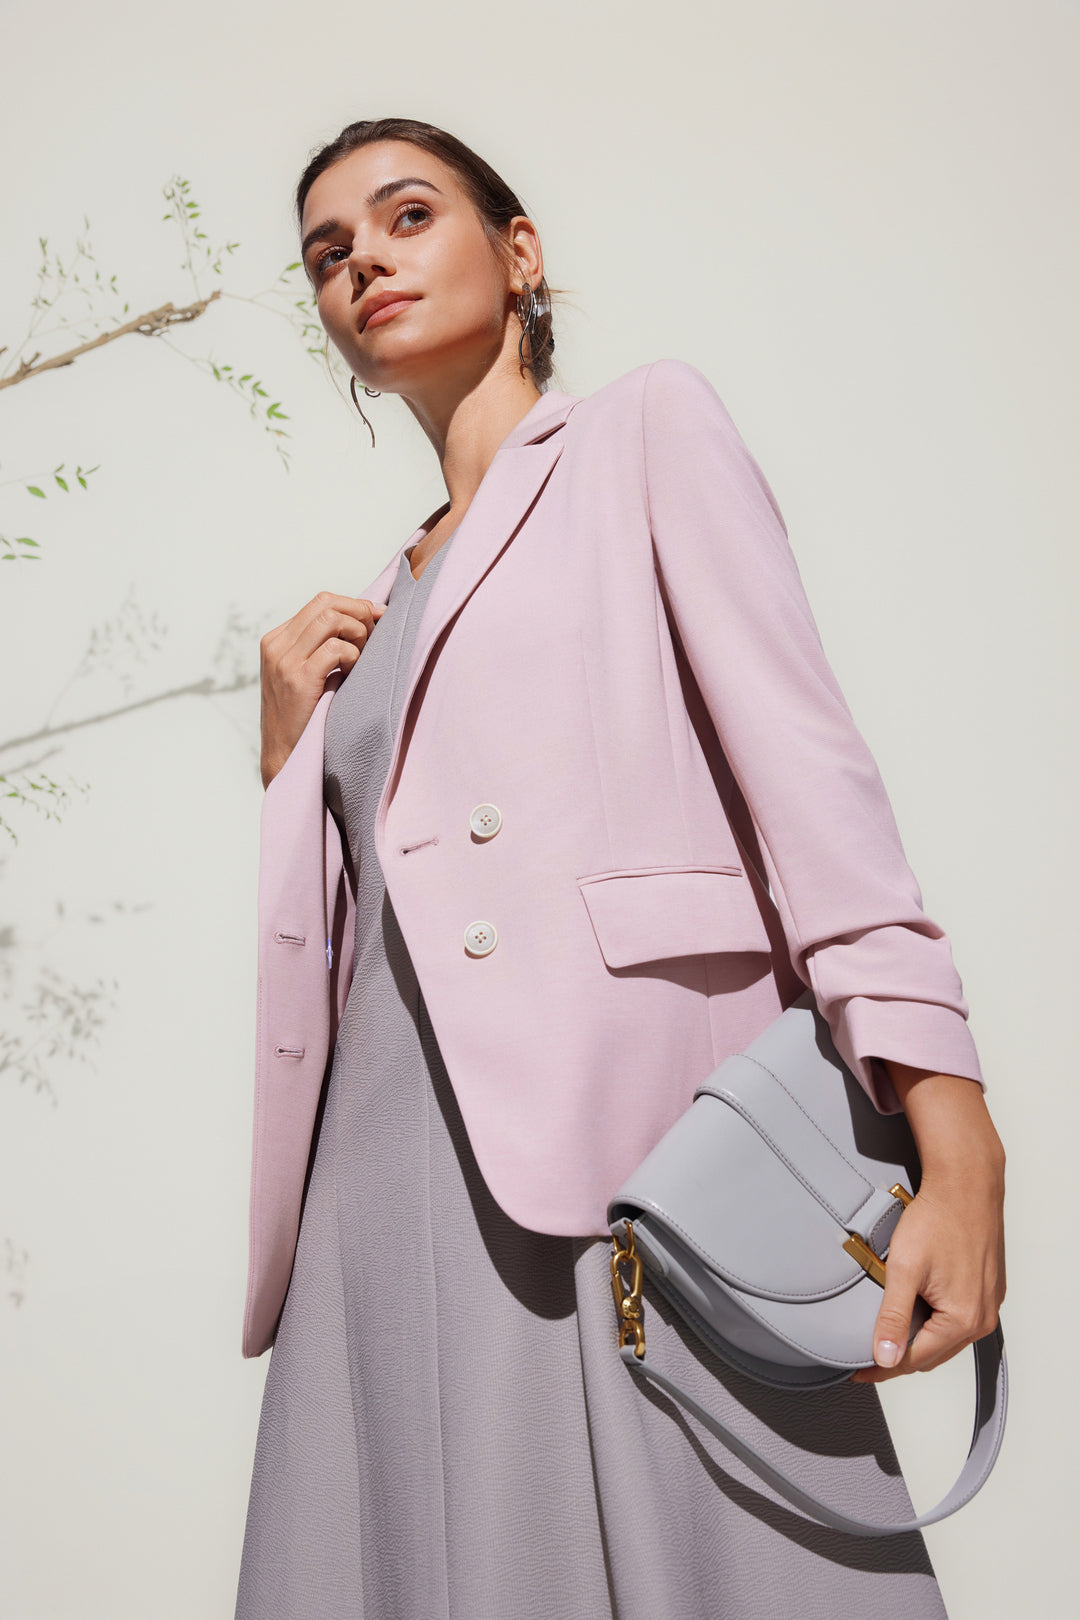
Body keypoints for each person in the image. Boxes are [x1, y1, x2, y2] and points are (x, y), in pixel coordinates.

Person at [234, 117, 1007, 1619]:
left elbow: (813, 789)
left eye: (406, 216)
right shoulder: (366, 610)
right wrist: (286, 764)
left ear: (519, 253)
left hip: (624, 1156)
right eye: (328, 254)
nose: (362, 261)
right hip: (379, 1207)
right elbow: (359, 952)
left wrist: (953, 1127)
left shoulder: (644, 433)